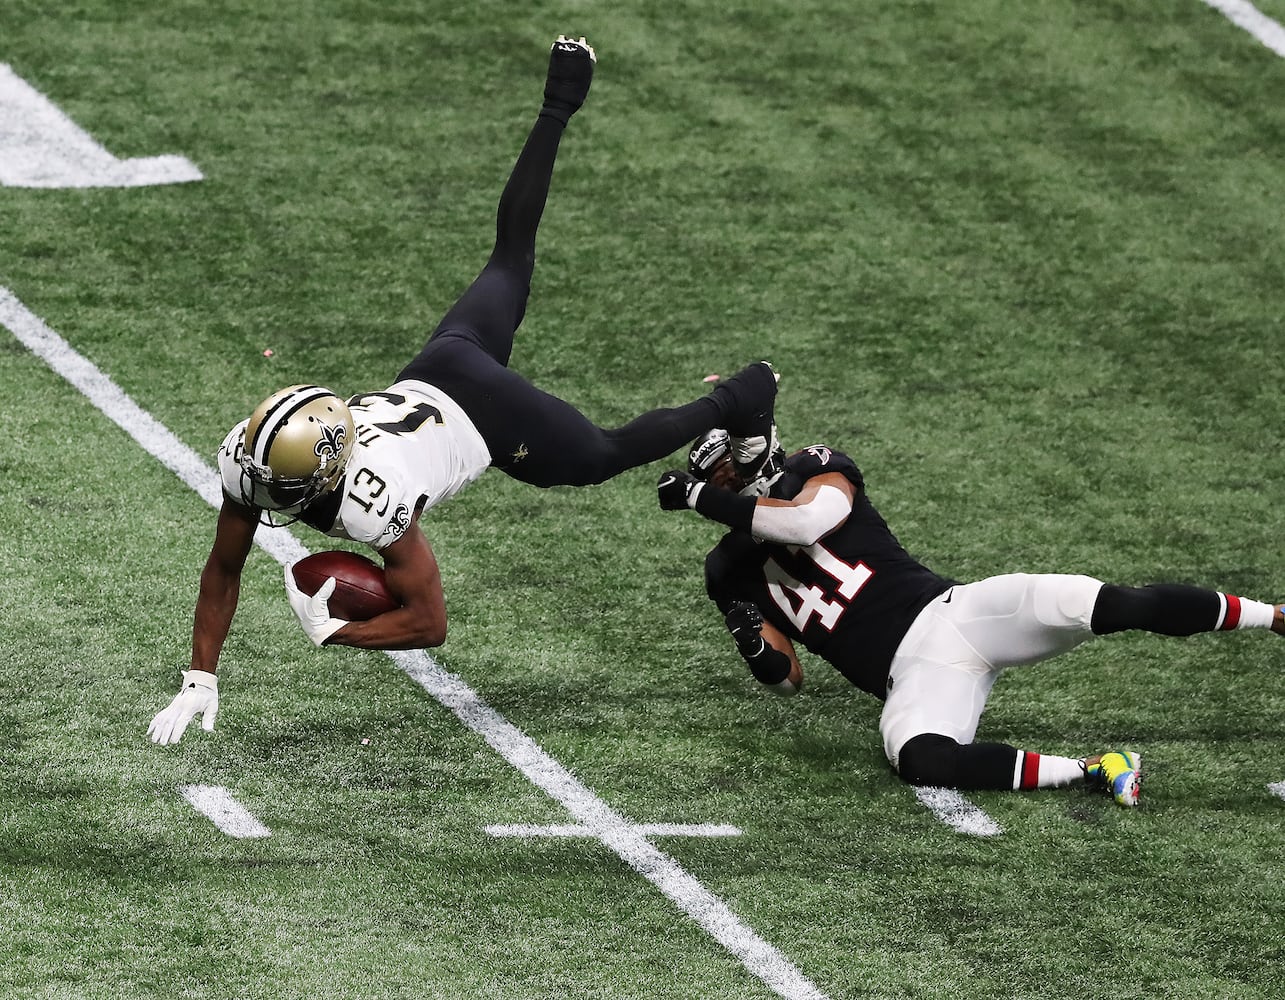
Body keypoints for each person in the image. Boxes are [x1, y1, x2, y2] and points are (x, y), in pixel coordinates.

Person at [146, 35, 779, 746]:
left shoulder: (370, 500)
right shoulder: (255, 458)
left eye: (284, 487)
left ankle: (740, 396)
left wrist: (339, 633)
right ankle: (559, 100)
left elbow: (430, 622)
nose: (268, 493)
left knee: (603, 455)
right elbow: (223, 566)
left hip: (483, 416)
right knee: (509, 257)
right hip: (441, 365)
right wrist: (200, 677)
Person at [655, 427, 1285, 807]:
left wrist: (701, 498)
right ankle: (1096, 768)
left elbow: (805, 523)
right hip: (912, 675)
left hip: (958, 613)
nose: (731, 485)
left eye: (731, 472)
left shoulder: (814, 469)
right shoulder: (727, 569)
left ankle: (1273, 616)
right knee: (920, 760)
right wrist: (755, 649)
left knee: (1112, 603)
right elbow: (787, 678)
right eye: (718, 480)